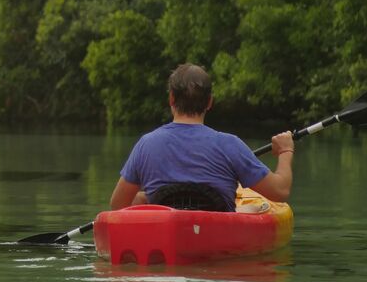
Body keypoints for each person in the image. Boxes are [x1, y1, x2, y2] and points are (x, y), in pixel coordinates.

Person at [108, 63, 294, 212]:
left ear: (171, 99)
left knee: (139, 198)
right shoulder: (230, 144)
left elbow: (118, 205)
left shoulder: (146, 144)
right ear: (209, 102)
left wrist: (149, 198)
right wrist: (286, 151)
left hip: (165, 242)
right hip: (217, 241)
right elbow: (280, 191)